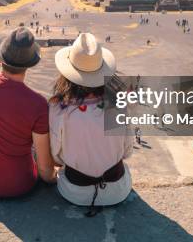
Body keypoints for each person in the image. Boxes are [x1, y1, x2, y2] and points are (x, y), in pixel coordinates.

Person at [0, 27, 56, 198]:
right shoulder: (37, 104)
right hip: (19, 185)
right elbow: (45, 170)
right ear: (29, 64)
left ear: (1, 59)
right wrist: (55, 177)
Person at [49, 33, 132, 216]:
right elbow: (127, 151)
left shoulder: (59, 108)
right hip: (117, 191)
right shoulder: (119, 104)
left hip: (74, 192)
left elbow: (56, 155)